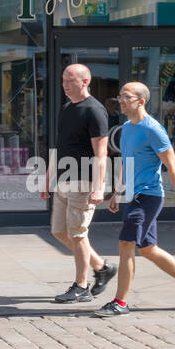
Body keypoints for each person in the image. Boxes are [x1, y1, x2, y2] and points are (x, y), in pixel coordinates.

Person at [96, 81, 175, 317]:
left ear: (141, 101)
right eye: (120, 96)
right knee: (148, 250)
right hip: (133, 195)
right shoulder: (126, 128)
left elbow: (172, 164)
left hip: (148, 196)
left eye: (126, 96)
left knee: (126, 244)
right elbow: (127, 163)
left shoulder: (153, 129)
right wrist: (117, 192)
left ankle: (120, 303)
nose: (120, 100)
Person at [43, 64, 116, 303]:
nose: (65, 84)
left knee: (78, 234)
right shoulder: (67, 108)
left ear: (85, 81)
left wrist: (98, 187)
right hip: (64, 180)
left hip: (83, 181)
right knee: (59, 232)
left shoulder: (94, 110)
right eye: (64, 79)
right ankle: (102, 267)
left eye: (70, 80)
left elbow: (101, 153)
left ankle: (81, 286)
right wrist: (47, 179)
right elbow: (60, 147)